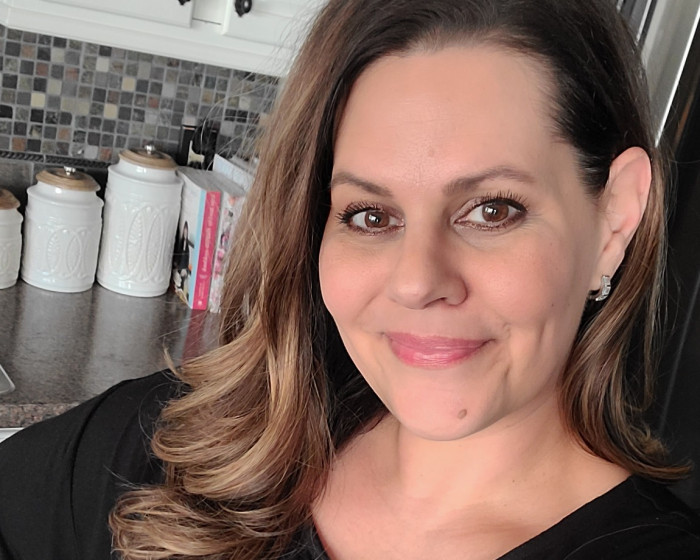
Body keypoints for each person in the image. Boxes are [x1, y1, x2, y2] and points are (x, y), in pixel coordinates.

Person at [1, 0, 700, 558]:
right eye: (371, 216)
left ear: (613, 219)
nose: (417, 281)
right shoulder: (180, 449)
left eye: (492, 210)